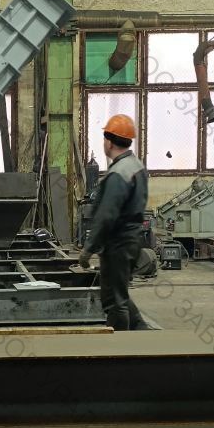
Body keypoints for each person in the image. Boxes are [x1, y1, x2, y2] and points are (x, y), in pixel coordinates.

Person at [78, 114, 150, 331]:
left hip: (119, 243)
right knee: (120, 293)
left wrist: (88, 249)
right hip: (132, 239)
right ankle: (143, 332)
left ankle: (119, 345)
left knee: (114, 301)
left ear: (109, 142)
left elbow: (106, 215)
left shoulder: (118, 173)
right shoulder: (136, 165)